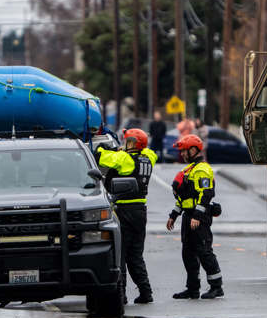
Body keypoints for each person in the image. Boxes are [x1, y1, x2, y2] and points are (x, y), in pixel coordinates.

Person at [95, 128, 158, 303]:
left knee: (120, 253)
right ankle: (146, 292)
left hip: (124, 211)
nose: (124, 144)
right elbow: (147, 150)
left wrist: (102, 148)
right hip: (140, 211)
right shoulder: (149, 158)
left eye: (126, 141)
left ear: (132, 144)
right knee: (136, 255)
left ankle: (121, 294)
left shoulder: (124, 159)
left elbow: (101, 157)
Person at [166, 134, 223, 299]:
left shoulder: (202, 169)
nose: (182, 154)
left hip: (200, 217)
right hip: (189, 216)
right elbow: (184, 198)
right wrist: (174, 215)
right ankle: (192, 289)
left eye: (184, 151)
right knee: (188, 253)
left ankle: (216, 287)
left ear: (193, 150)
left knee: (204, 251)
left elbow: (206, 194)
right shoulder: (189, 169)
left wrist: (197, 216)